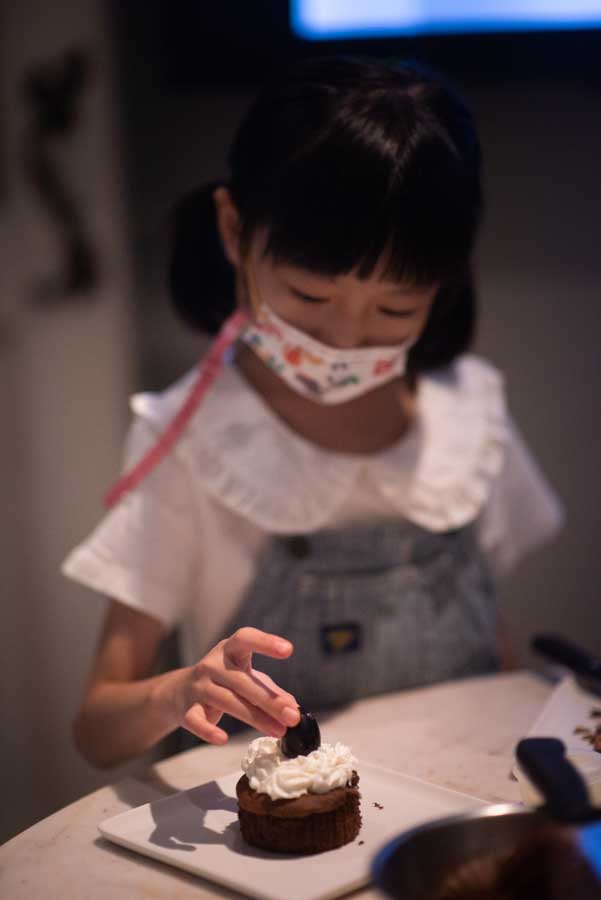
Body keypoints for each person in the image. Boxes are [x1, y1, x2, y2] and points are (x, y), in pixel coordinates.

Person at [63, 56, 563, 770]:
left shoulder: (468, 416)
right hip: (281, 825)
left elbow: (493, 646)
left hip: (463, 799)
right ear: (235, 231)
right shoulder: (189, 439)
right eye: (309, 296)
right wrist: (180, 690)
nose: (346, 338)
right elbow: (95, 728)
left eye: (396, 309)